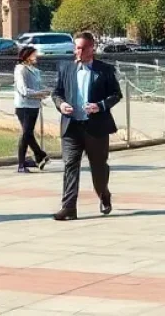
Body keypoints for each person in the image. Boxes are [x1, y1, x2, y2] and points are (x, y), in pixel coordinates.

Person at [51, 30, 122, 221]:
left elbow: (116, 94)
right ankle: (68, 207)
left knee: (98, 167)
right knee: (70, 165)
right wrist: (61, 104)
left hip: (96, 128)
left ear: (92, 48)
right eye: (76, 47)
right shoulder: (65, 68)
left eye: (82, 48)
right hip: (72, 127)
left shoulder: (105, 70)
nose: (78, 52)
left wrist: (99, 106)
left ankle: (104, 194)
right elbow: (56, 93)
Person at [14, 45, 51, 173]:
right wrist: (39, 93)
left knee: (27, 134)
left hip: (34, 106)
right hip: (24, 106)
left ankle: (32, 158)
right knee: (26, 134)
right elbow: (23, 90)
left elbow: (37, 86)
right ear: (27, 56)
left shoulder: (35, 70)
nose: (37, 57)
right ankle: (30, 159)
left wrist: (43, 92)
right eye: (34, 55)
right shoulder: (20, 69)